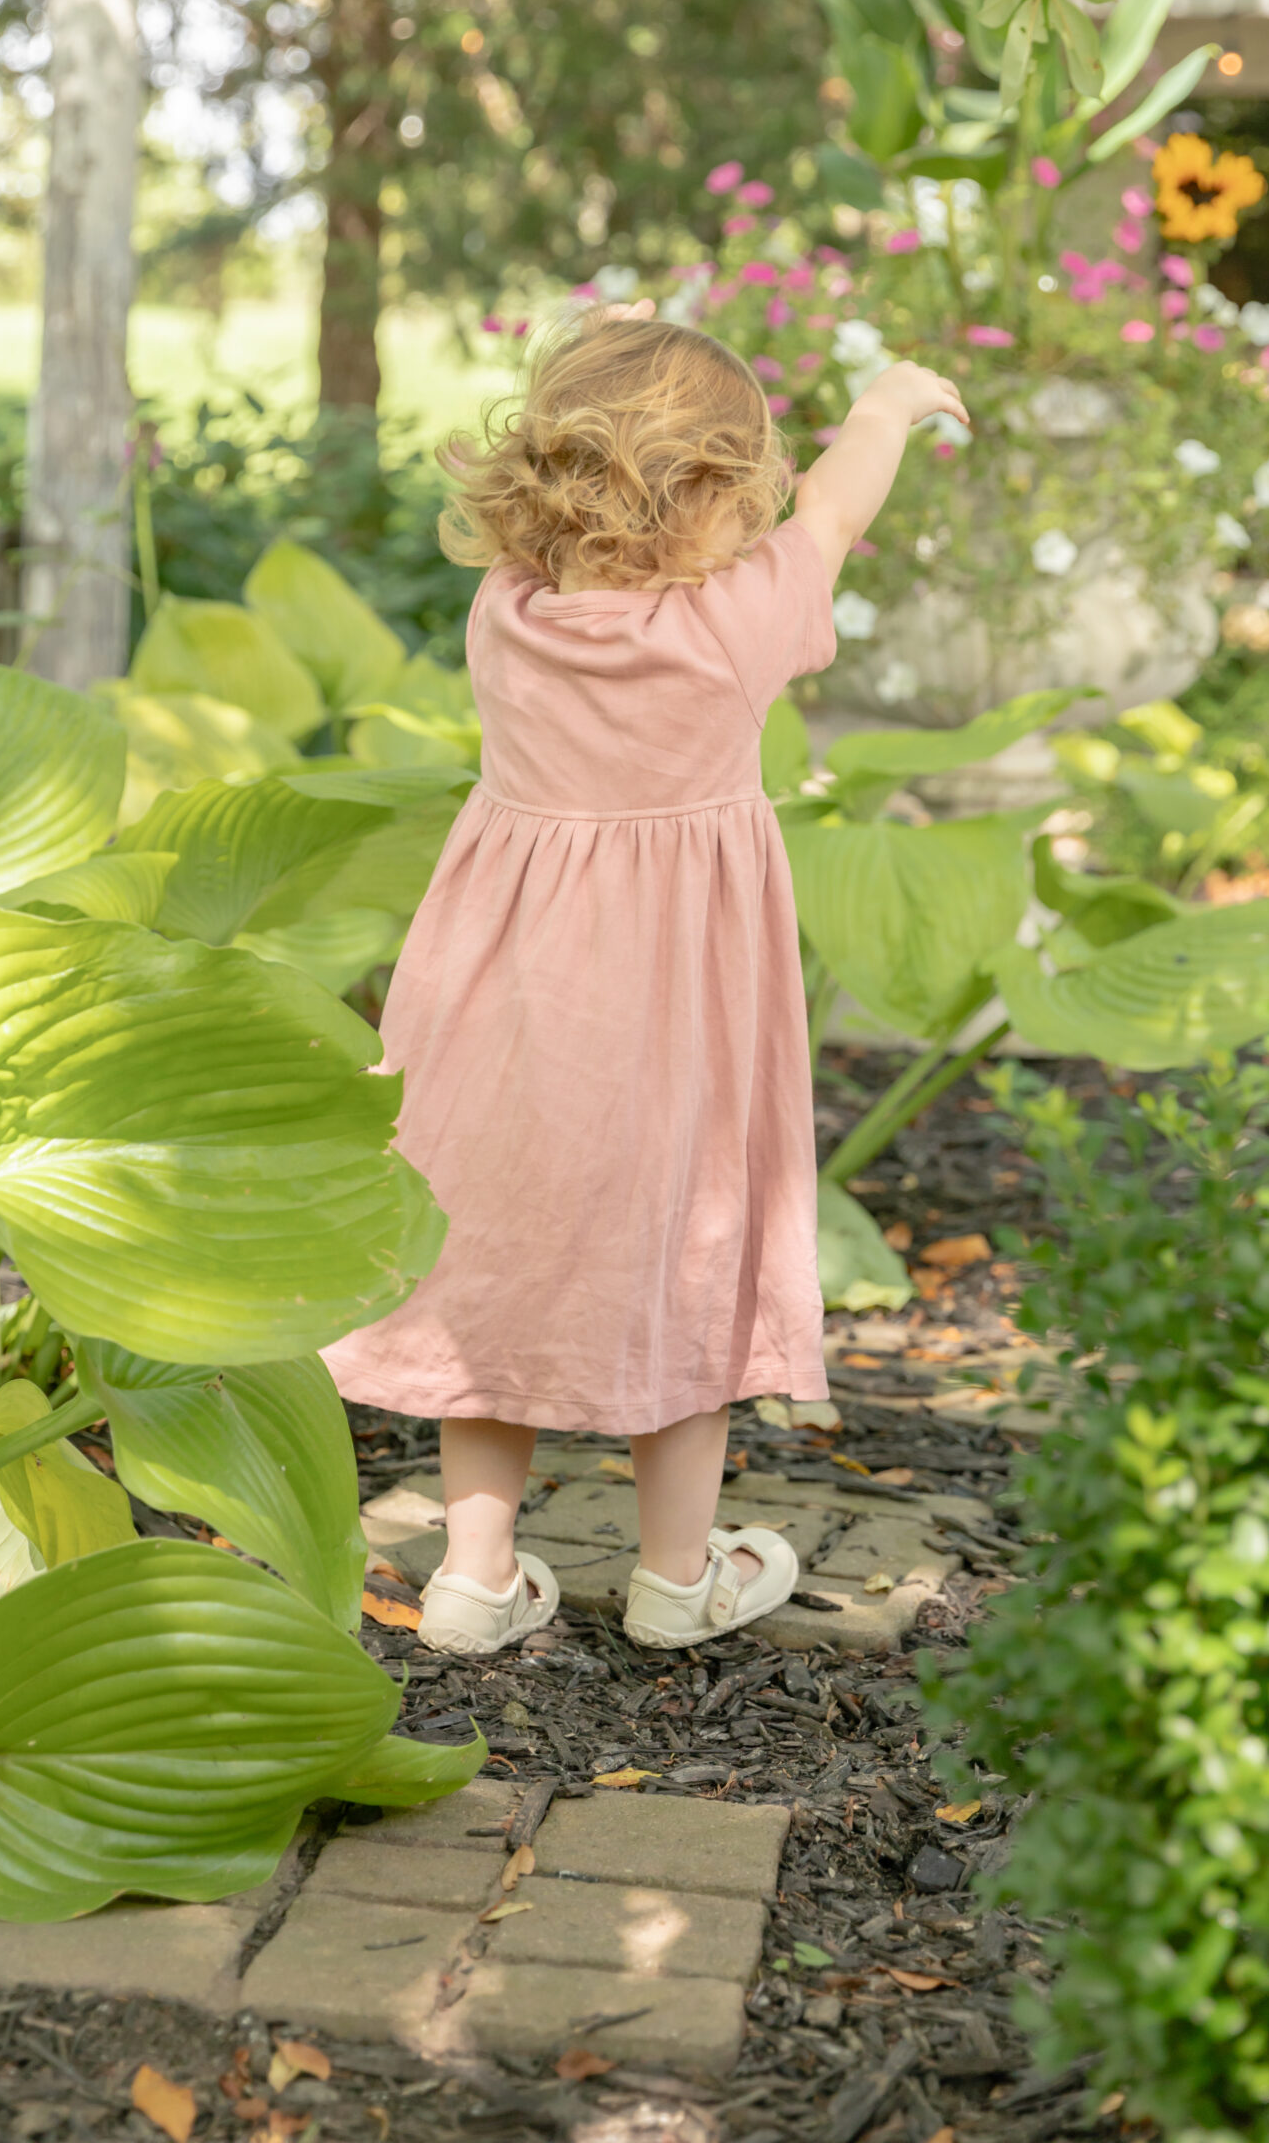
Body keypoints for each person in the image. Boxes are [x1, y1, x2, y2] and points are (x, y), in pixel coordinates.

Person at [328, 311, 968, 1653]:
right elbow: (840, 515)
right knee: (690, 1241)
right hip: (677, 1007)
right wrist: (888, 404)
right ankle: (680, 1577)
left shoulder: (506, 611)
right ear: (720, 498)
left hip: (501, 999)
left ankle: (476, 1574)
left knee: (491, 1240)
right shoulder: (737, 625)